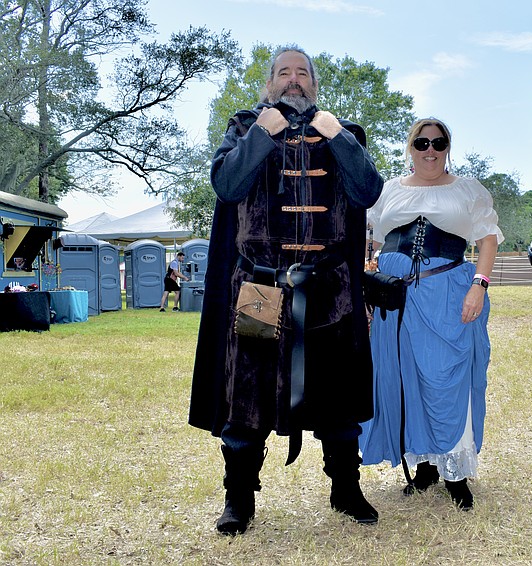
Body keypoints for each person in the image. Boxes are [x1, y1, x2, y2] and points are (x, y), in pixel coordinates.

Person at [188, 45, 384, 534]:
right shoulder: (242, 129)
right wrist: (261, 135)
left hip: (330, 290)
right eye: (283, 73)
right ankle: (239, 500)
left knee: (336, 398)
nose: (293, 80)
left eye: (302, 73)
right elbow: (228, 186)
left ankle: (345, 488)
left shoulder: (345, 134)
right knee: (246, 398)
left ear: (314, 85)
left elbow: (368, 191)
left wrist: (338, 137)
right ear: (268, 84)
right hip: (259, 288)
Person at [359, 118, 503, 510]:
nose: (430, 150)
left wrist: (480, 284)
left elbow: (487, 239)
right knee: (405, 377)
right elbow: (368, 238)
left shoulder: (467, 190)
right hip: (395, 300)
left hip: (447, 294)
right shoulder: (388, 191)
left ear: (447, 147)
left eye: (438, 143)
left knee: (446, 380)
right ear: (411, 148)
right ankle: (423, 465)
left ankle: (455, 472)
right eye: (422, 143)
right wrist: (368, 279)